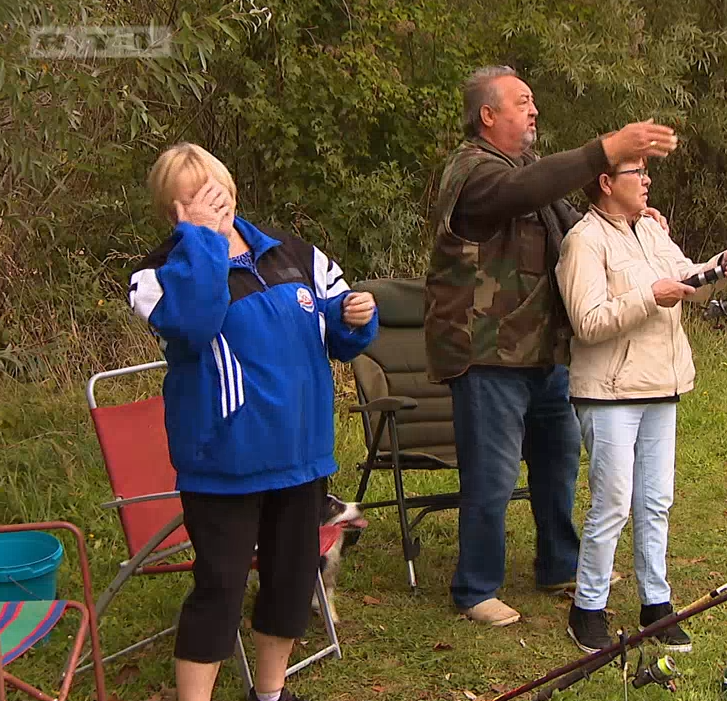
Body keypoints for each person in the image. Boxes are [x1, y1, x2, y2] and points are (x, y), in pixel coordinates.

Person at [425, 64, 680, 626]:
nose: (534, 110)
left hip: (542, 351)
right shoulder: (474, 172)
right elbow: (525, 193)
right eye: (523, 101)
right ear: (489, 115)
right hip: (486, 352)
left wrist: (632, 214)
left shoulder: (530, 170)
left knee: (559, 461)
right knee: (491, 477)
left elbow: (582, 225)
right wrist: (604, 149)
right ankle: (476, 589)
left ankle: (559, 563)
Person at [127, 143, 378, 701]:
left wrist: (355, 317)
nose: (211, 199)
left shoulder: (294, 255)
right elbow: (192, 326)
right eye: (192, 195)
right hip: (223, 463)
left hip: (299, 454)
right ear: (173, 210)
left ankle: (270, 693)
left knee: (290, 584)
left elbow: (336, 329)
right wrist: (203, 241)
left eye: (214, 185)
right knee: (219, 589)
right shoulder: (157, 272)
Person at [555, 156, 727, 653]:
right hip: (610, 394)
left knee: (655, 502)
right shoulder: (583, 242)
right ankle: (588, 609)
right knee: (612, 504)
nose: (647, 181)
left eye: (647, 173)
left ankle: (656, 604)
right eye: (637, 173)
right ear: (606, 183)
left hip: (662, 386)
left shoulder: (651, 229)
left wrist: (719, 267)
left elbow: (683, 277)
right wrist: (650, 296)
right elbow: (589, 321)